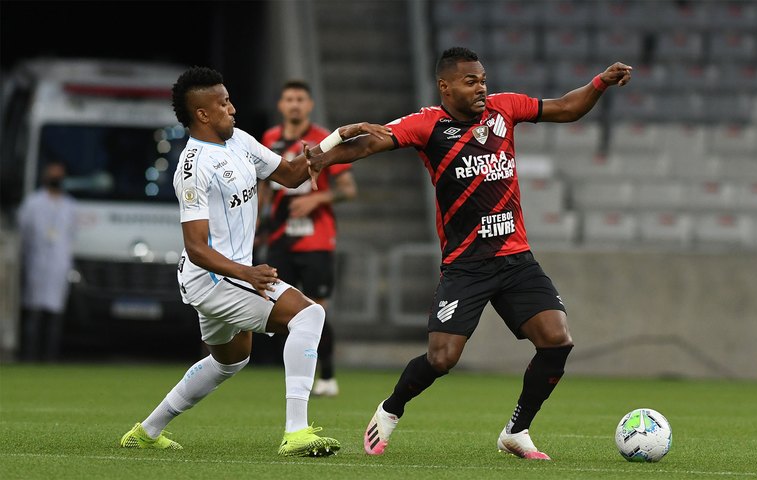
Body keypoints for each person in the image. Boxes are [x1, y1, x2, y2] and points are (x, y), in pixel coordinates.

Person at [305, 47, 632, 459]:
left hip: (516, 260)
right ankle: (390, 409)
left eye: (483, 79)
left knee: (556, 341)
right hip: (466, 266)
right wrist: (325, 157)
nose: (482, 87)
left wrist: (600, 81)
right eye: (470, 81)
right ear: (445, 86)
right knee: (442, 359)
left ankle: (517, 430)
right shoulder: (427, 124)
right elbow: (372, 142)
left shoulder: (505, 108)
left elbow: (567, 108)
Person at [118, 66, 389, 456]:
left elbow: (294, 175)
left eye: (230, 99)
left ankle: (146, 431)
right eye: (223, 103)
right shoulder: (192, 168)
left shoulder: (239, 141)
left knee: (229, 361)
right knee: (309, 315)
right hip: (212, 276)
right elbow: (196, 246)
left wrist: (336, 139)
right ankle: (296, 432)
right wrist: (247, 272)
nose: (233, 108)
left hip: (225, 275)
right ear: (203, 114)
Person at [257, 80, 357, 397]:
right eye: (289, 99)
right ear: (281, 105)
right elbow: (264, 186)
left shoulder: (323, 140)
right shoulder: (270, 139)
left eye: (300, 99)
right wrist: (257, 220)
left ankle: (327, 375)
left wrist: (317, 199)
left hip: (316, 239)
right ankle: (289, 372)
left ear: (310, 105)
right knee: (274, 305)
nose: (295, 104)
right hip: (279, 237)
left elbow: (348, 189)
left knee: (316, 307)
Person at [17, 161, 77, 362]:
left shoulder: (69, 206)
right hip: (37, 264)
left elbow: (71, 235)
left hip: (58, 267)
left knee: (54, 318)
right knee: (34, 316)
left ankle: (50, 359)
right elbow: (23, 232)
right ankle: (29, 357)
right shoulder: (33, 203)